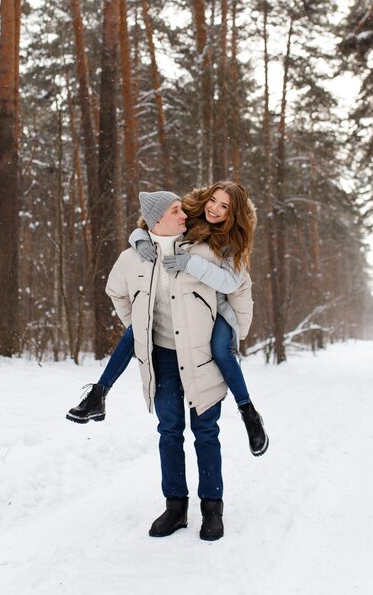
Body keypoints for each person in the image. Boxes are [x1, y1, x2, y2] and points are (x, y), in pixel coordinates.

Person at [66, 182, 268, 458]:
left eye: (224, 207)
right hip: (184, 303)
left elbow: (231, 283)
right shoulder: (191, 212)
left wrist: (189, 264)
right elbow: (153, 224)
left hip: (218, 309)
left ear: (233, 215)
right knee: (138, 328)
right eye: (214, 201)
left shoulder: (234, 238)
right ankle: (99, 394)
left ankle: (249, 412)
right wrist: (139, 240)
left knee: (221, 349)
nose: (215, 209)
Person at [104, 189, 251, 540]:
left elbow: (236, 284)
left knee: (206, 431)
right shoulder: (148, 247)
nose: (188, 215)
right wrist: (142, 327)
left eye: (223, 206)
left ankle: (212, 507)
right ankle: (175, 507)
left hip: (201, 351)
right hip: (164, 355)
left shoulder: (208, 246)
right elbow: (121, 287)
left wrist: (231, 327)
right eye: (176, 211)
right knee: (169, 431)